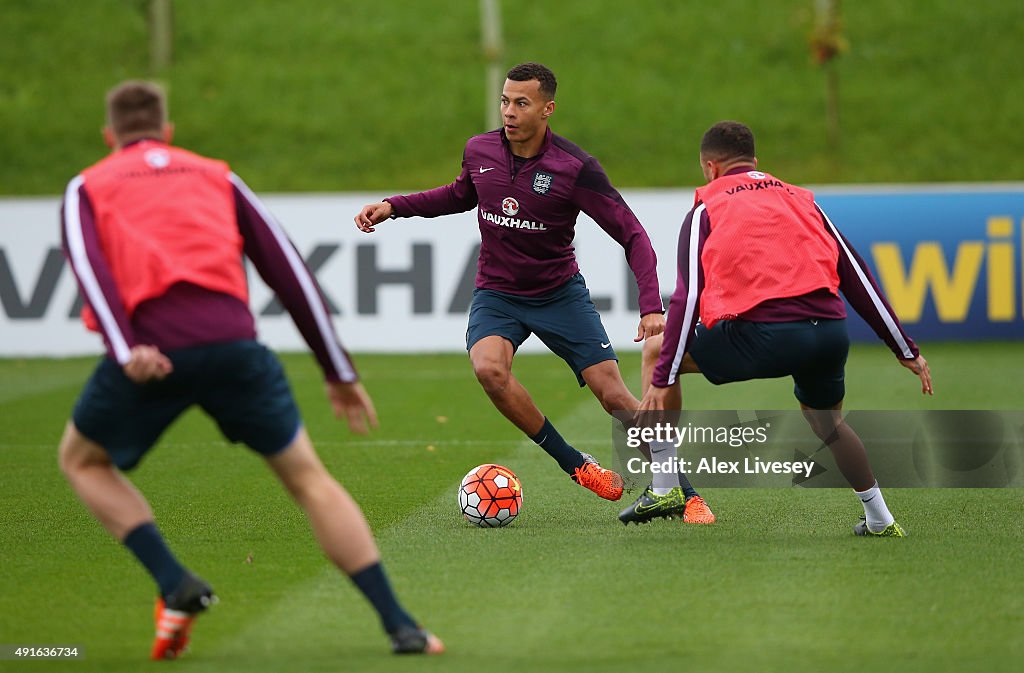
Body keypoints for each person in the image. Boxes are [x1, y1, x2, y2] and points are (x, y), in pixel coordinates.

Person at [58, 81, 443, 660]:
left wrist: (125, 348)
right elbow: (288, 271)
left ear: (110, 137)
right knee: (310, 480)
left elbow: (90, 269)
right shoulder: (216, 174)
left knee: (81, 460)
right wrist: (337, 370)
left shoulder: (87, 185)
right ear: (168, 132)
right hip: (234, 348)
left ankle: (174, 582)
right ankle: (402, 626)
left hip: (151, 355)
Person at [355, 62, 710, 518]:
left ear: (547, 109)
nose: (509, 111)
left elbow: (632, 233)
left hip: (559, 294)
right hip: (498, 294)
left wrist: (649, 306)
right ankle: (577, 464)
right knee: (489, 371)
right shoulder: (479, 149)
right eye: (505, 100)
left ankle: (685, 492)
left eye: (521, 103)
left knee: (615, 397)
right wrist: (393, 206)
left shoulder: (575, 167)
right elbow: (459, 195)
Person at [636, 120, 933, 536]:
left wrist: (664, 376)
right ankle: (880, 518)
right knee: (829, 423)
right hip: (829, 332)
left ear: (709, 167)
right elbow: (856, 275)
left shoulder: (705, 208)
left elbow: (686, 298)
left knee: (654, 351)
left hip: (767, 335)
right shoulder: (801, 199)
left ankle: (665, 487)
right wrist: (906, 350)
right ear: (756, 163)